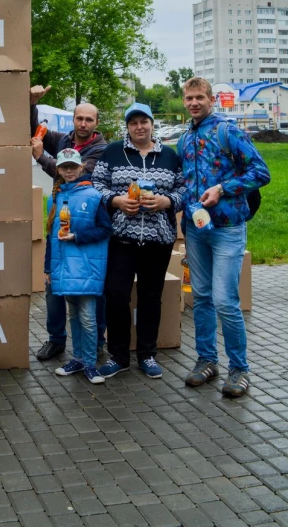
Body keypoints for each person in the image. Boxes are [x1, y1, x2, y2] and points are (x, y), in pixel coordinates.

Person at [178, 78, 270, 398]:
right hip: (196, 230)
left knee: (225, 301)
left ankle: (239, 368)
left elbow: (261, 172)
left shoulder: (228, 131)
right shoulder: (184, 139)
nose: (194, 103)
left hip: (228, 228)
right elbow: (184, 183)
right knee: (200, 297)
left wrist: (222, 188)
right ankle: (206, 360)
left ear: (212, 99)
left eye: (200, 97)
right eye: (189, 98)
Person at [92, 103, 185, 379]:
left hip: (159, 240)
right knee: (116, 295)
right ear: (127, 126)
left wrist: (167, 201)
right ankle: (119, 356)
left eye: (144, 121)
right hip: (121, 238)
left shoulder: (170, 156)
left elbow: (184, 189)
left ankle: (147, 355)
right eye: (133, 123)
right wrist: (117, 200)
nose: (139, 127)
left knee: (150, 297)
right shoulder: (113, 152)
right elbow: (96, 184)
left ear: (152, 124)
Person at [29, 85, 108, 362]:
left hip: (85, 222)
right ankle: (56, 339)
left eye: (89, 119)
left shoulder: (101, 149)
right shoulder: (64, 140)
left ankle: (97, 341)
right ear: (73, 119)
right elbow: (34, 130)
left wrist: (41, 157)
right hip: (58, 217)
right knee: (53, 282)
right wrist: (31, 104)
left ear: (96, 123)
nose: (83, 123)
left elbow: (73, 173)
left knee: (89, 286)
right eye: (79, 118)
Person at [46, 150, 112, 384]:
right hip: (65, 267)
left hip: (86, 268)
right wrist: (48, 269)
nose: (69, 171)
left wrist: (77, 235)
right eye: (64, 167)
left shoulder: (94, 196)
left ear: (82, 166)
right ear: (59, 170)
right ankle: (79, 358)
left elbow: (106, 229)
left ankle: (91, 363)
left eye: (73, 166)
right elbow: (50, 238)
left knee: (87, 317)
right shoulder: (56, 197)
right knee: (73, 315)